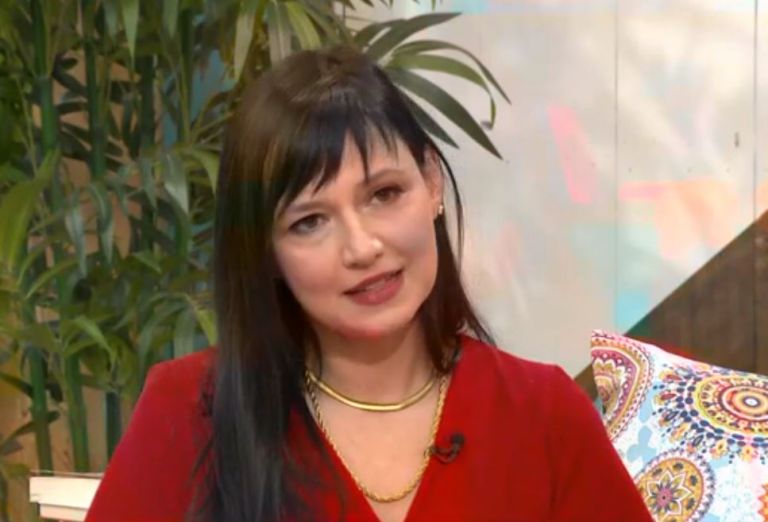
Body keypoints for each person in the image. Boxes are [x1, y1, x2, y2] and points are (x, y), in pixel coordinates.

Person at [85, 46, 652, 522]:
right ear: (267, 252)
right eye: (310, 222)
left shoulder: (544, 415)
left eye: (384, 194)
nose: (362, 248)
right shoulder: (189, 410)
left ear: (432, 184)